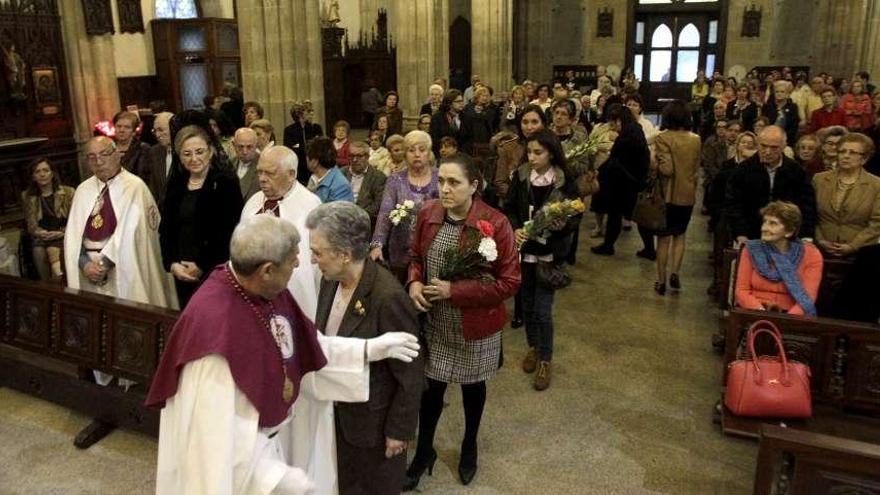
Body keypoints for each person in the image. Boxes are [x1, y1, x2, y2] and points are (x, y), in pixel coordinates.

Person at [146, 214, 422, 495]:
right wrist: (275, 477)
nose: (301, 264)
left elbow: (306, 347)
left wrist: (368, 349)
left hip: (272, 445)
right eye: (293, 259)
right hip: (239, 474)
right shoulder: (213, 332)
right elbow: (214, 436)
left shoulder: (264, 290)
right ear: (267, 269)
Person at [405, 153, 520, 490]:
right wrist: (414, 282)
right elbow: (415, 256)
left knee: (473, 389)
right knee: (431, 392)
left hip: (475, 327)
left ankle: (469, 446)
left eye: (454, 182)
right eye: (442, 181)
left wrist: (454, 290)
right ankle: (424, 451)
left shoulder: (495, 223)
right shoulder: (428, 214)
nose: (445, 189)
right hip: (437, 323)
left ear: (475, 185)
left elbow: (509, 283)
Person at [308, 202, 423, 494]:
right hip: (335, 413)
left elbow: (411, 374)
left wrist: (399, 430)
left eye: (318, 252)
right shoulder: (331, 279)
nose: (312, 260)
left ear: (344, 255)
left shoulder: (387, 297)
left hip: (372, 425)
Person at [505, 129, 579, 389]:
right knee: (526, 305)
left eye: (539, 152)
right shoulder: (522, 175)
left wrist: (562, 225)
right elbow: (510, 207)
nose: (532, 157)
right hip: (526, 252)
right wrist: (515, 227)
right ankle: (533, 347)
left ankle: (546, 359)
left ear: (551, 153)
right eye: (530, 151)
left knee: (543, 310)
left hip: (549, 254)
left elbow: (574, 214)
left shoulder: (563, 179)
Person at [64, 136, 170, 307]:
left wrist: (103, 264)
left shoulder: (134, 186)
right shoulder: (83, 190)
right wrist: (85, 264)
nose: (98, 161)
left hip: (122, 265)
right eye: (92, 157)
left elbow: (130, 233)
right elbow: (73, 237)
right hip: (88, 270)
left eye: (104, 154)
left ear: (117, 154)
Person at [160, 125, 243, 308]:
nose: (194, 158)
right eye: (187, 154)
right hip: (181, 271)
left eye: (199, 152)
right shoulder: (176, 185)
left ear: (211, 151)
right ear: (179, 157)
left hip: (215, 271)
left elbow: (230, 231)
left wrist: (201, 265)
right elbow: (166, 229)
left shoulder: (226, 183)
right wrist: (172, 263)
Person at [242, 146, 321, 319]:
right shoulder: (253, 203)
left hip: (294, 293)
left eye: (270, 173)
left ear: (291, 174)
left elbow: (314, 263)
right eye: (259, 172)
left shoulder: (311, 205)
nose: (262, 179)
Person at [724, 126, 817, 247]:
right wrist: (740, 233)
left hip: (786, 238)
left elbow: (807, 205)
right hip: (750, 235)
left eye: (774, 147)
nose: (767, 151)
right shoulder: (742, 170)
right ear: (757, 144)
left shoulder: (796, 171)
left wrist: (806, 236)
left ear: (784, 146)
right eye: (763, 146)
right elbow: (733, 204)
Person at [370, 130, 440, 283]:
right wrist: (377, 245)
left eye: (422, 150)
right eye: (411, 150)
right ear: (405, 154)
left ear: (429, 153)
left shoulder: (441, 178)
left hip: (434, 251)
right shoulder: (395, 180)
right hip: (401, 251)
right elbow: (384, 214)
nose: (416, 154)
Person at [735, 201, 823, 316]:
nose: (764, 228)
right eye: (764, 222)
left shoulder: (811, 254)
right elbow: (742, 291)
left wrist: (786, 320)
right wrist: (761, 313)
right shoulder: (751, 249)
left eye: (772, 223)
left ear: (789, 231)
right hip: (754, 311)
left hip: (792, 316)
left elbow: (808, 299)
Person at [652, 101, 700, 295]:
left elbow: (667, 169)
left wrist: (654, 162)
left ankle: (661, 280)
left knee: (663, 239)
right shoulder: (696, 139)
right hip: (687, 195)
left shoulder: (663, 138)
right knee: (680, 235)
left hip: (667, 195)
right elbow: (696, 169)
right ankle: (675, 272)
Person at [591, 103, 651, 256]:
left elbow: (617, 158)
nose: (611, 126)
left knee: (619, 214)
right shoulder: (634, 130)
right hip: (631, 181)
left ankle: (609, 246)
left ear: (619, 120)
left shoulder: (627, 134)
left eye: (612, 122)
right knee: (636, 216)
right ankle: (648, 248)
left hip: (625, 183)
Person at [813, 132, 880, 257]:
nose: (846, 156)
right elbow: (811, 215)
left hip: (861, 253)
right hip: (821, 249)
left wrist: (853, 246)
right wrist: (820, 240)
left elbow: (877, 223)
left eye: (852, 153)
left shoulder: (876, 185)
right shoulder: (819, 179)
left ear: (864, 158)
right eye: (842, 151)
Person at [22, 157, 75, 280]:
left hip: (64, 233)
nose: (42, 174)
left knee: (54, 254)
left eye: (45, 170)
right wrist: (39, 232)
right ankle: (47, 287)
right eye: (37, 171)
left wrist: (61, 233)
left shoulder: (68, 192)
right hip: (42, 237)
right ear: (33, 176)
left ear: (52, 173)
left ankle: (62, 284)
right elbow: (31, 225)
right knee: (38, 252)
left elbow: (76, 221)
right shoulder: (27, 196)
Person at [494, 104, 547, 205]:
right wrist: (518, 197)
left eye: (534, 122)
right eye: (525, 122)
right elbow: (500, 182)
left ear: (543, 124)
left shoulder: (551, 145)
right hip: (515, 205)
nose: (529, 127)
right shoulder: (508, 147)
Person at [341, 141, 386, 230]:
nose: (354, 160)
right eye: (352, 156)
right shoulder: (342, 173)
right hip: (342, 219)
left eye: (359, 156)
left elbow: (377, 204)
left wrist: (358, 217)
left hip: (365, 222)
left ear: (367, 157)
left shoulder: (378, 177)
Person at [141, 111, 175, 208]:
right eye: (155, 131)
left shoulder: (186, 151)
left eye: (161, 130)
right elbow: (154, 187)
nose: (157, 135)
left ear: (174, 128)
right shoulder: (154, 152)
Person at [284, 103, 324, 185]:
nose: (312, 113)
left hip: (314, 166)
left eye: (312, 110)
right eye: (308, 111)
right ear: (299, 114)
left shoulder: (316, 128)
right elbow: (289, 149)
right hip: (298, 168)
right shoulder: (289, 130)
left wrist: (299, 146)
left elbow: (320, 146)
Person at [305, 137, 354, 203]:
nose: (306, 160)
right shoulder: (314, 178)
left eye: (307, 156)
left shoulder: (341, 187)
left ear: (314, 162)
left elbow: (340, 213)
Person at [430, 89, 467, 157]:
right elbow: (435, 139)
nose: (461, 103)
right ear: (449, 103)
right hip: (443, 155)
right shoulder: (437, 118)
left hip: (462, 156)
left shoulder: (466, 117)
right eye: (458, 101)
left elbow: (468, 139)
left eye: (462, 101)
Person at [113, 110, 151, 176]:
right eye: (119, 126)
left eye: (127, 127)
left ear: (133, 132)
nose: (121, 130)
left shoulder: (143, 148)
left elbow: (144, 175)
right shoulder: (108, 147)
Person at [231, 127, 262, 201]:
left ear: (256, 145)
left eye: (249, 147)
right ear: (233, 145)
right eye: (240, 147)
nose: (245, 152)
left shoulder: (265, 165)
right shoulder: (229, 164)